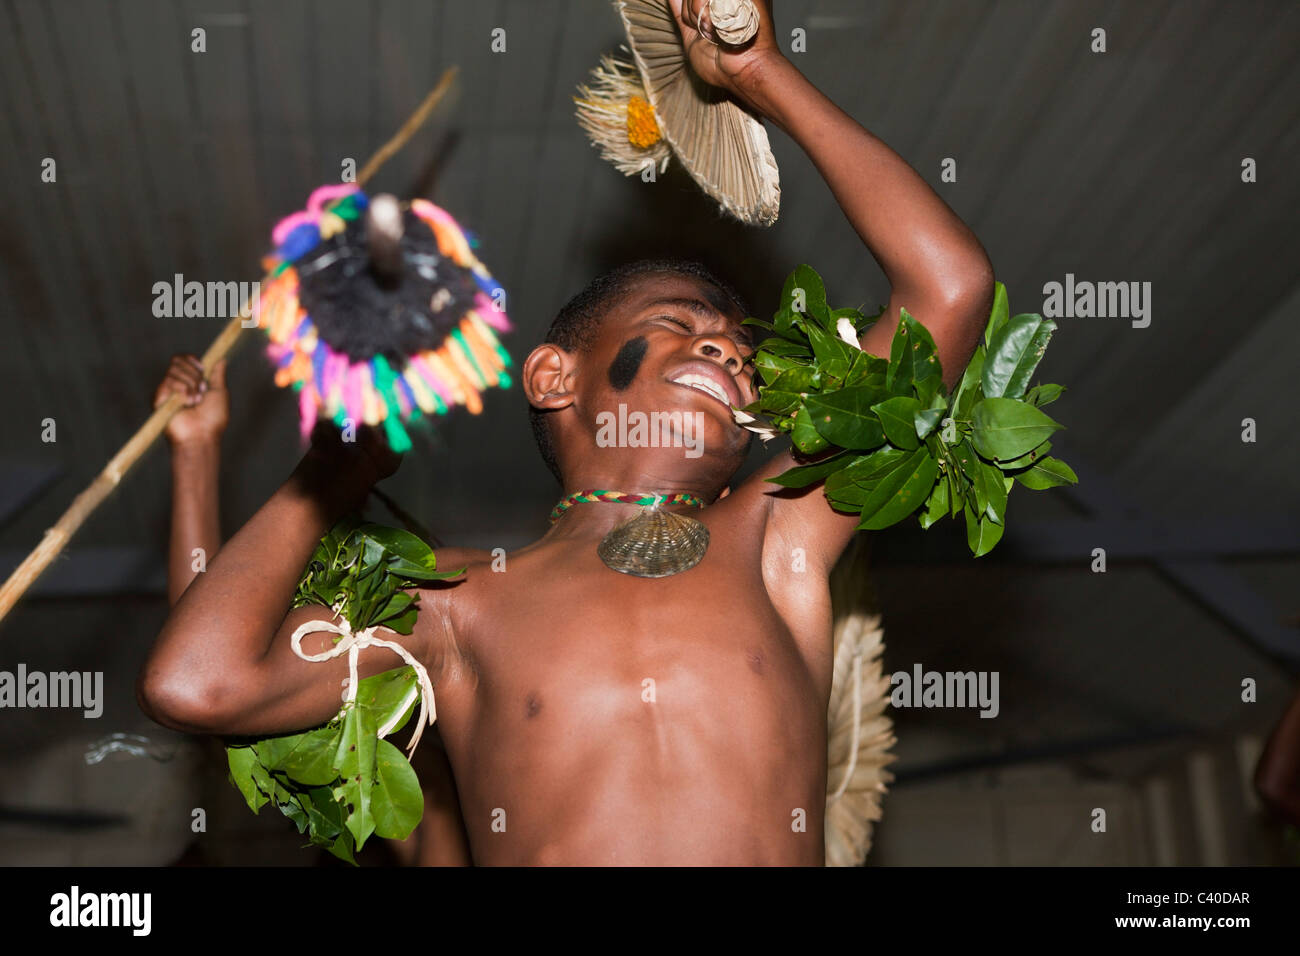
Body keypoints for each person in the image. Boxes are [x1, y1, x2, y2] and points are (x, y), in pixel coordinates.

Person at [138, 0, 993, 865]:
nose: (725, 349)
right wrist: (327, 476)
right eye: (680, 321)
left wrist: (757, 77)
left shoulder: (780, 536)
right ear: (553, 376)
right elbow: (199, 681)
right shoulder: (454, 603)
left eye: (742, 351)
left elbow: (948, 289)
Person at [153, 354, 471, 866]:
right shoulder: (305, 721)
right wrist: (195, 446)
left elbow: (203, 677)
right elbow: (202, 662)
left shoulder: (423, 764)